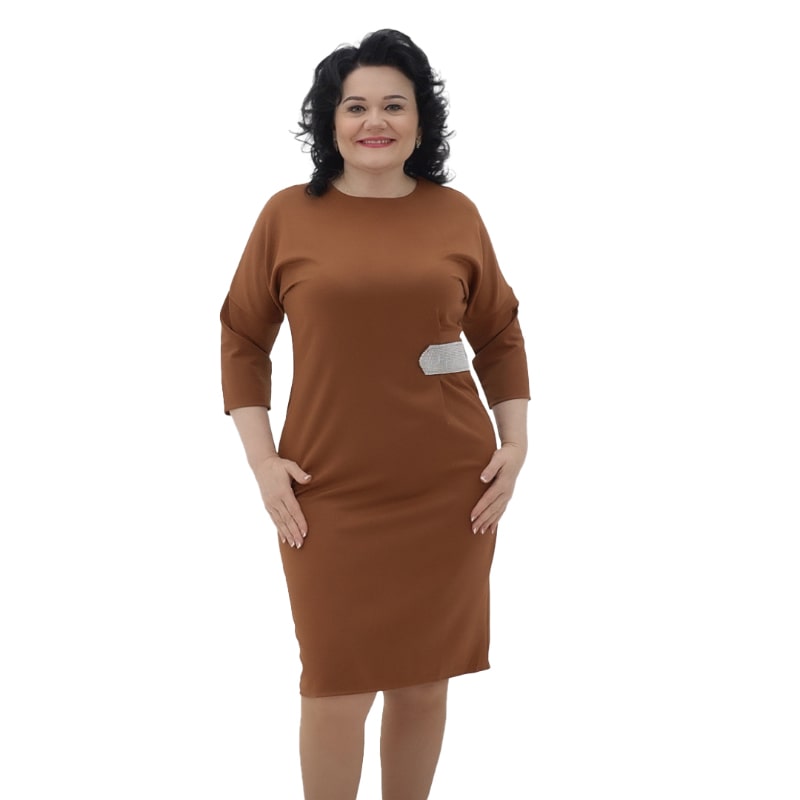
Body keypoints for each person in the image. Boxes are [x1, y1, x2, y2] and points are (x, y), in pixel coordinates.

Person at [220, 28, 530, 800]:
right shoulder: (287, 216)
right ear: (329, 121)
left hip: (448, 488)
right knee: (336, 686)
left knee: (424, 682)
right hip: (326, 489)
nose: (375, 121)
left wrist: (516, 442)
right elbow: (242, 337)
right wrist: (262, 462)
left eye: (394, 104)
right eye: (355, 106)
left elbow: (498, 332)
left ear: (421, 121)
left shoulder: (455, 214)